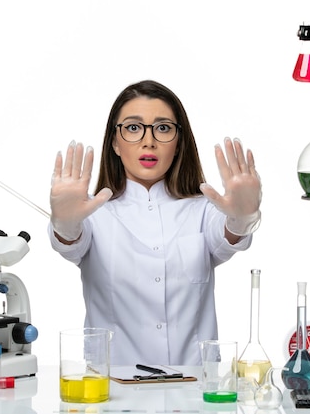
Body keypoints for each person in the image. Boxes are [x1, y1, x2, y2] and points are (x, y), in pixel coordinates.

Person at [48, 80, 262, 365]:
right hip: (112, 389)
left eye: (163, 128)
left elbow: (229, 236)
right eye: (134, 128)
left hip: (193, 390)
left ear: (178, 144)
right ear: (114, 142)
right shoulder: (92, 213)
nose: (148, 141)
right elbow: (70, 241)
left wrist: (243, 217)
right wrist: (64, 222)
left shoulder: (203, 210)